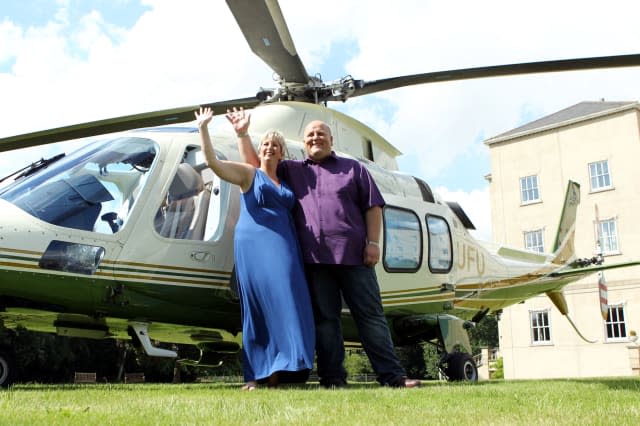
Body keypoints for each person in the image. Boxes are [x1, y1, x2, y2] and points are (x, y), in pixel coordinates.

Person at [227, 107, 420, 388]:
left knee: (370, 318)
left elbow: (373, 206)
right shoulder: (291, 170)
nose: (315, 137)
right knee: (326, 323)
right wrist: (243, 133)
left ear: (331, 140)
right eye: (310, 135)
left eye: (321, 133)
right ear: (303, 143)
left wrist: (374, 243)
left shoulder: (353, 168)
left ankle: (393, 377)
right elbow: (257, 165)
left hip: (354, 257)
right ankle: (332, 379)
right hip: (316, 262)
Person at [194, 107, 315, 391]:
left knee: (289, 306)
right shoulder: (249, 174)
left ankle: (280, 374)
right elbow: (213, 163)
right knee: (258, 309)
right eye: (266, 144)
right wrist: (204, 128)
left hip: (286, 249)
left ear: (282, 153)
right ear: (259, 151)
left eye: (275, 145)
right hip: (255, 247)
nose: (270, 148)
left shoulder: (285, 182)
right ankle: (257, 375)